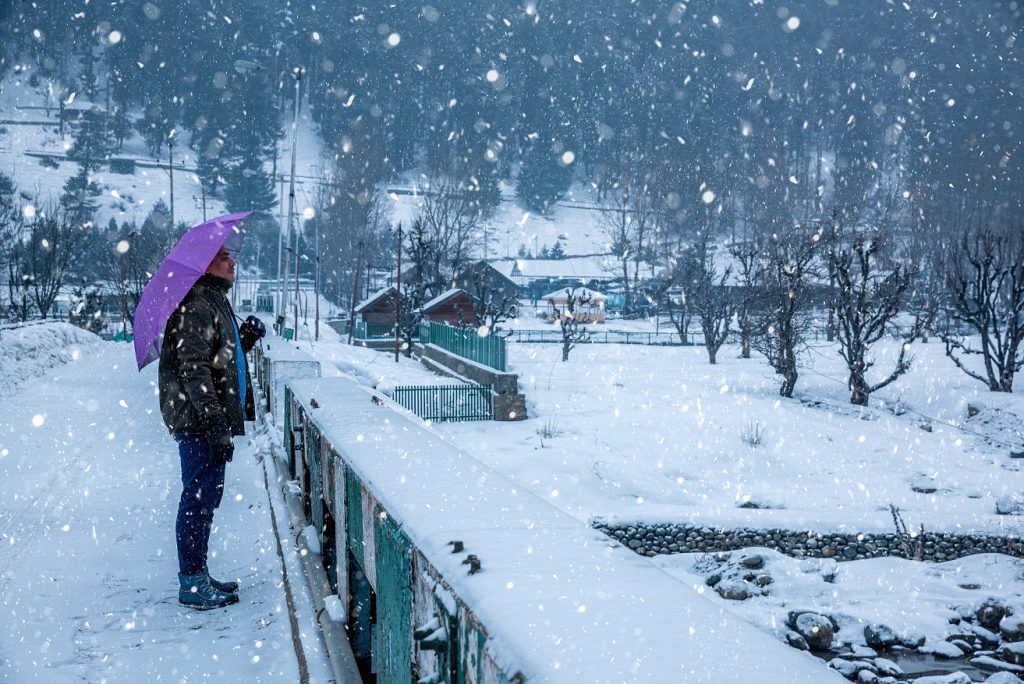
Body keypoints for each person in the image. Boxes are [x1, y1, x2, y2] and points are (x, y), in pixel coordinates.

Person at [158, 245, 266, 610]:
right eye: (222, 257)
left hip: (203, 419)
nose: (232, 261)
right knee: (198, 500)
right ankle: (191, 582)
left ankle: (198, 574)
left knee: (205, 498)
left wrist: (244, 340)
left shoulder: (212, 300)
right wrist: (216, 425)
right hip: (198, 421)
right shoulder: (197, 305)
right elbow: (195, 371)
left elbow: (216, 359)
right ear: (203, 264)